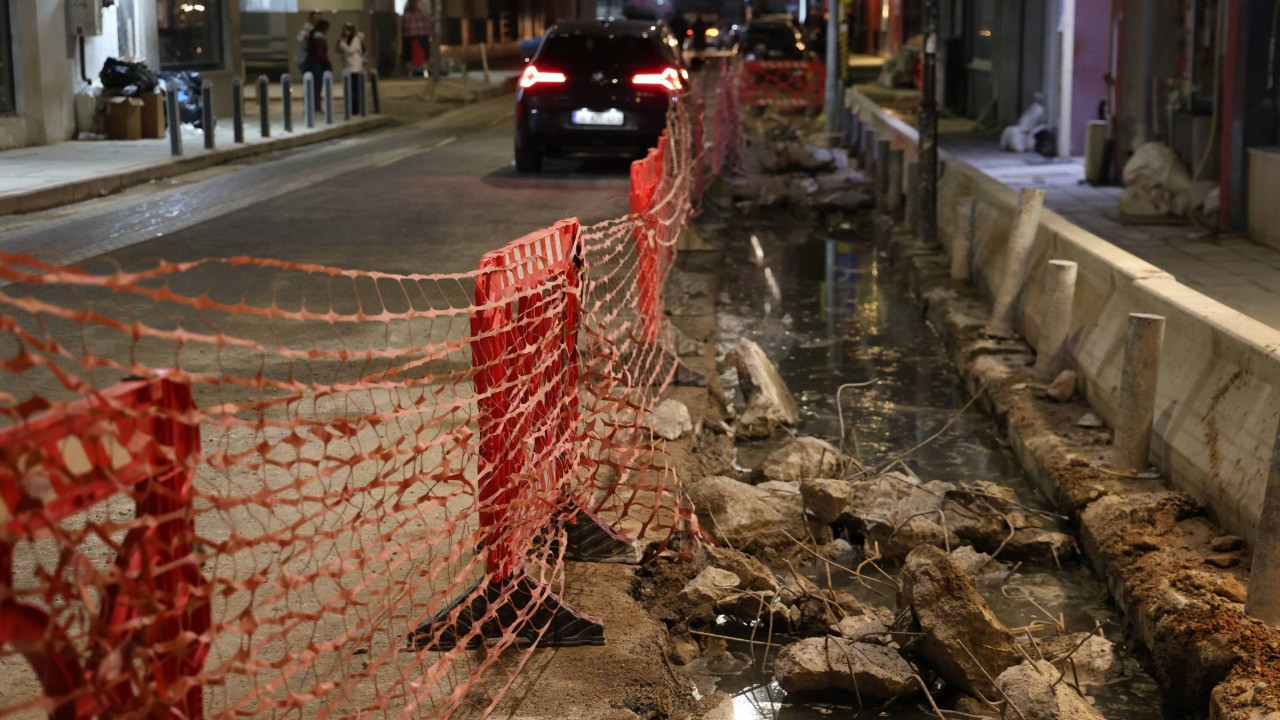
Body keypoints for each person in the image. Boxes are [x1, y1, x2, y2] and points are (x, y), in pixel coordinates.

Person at [399, 0, 434, 78]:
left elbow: (428, 16)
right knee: (411, 54)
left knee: (422, 54)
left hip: (422, 34)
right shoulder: (408, 5)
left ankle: (424, 70)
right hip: (409, 35)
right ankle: (412, 71)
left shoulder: (424, 4)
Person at [306, 19, 332, 111]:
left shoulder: (312, 35)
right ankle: (317, 107)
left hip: (311, 63)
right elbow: (320, 53)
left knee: (312, 87)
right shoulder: (319, 38)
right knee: (317, 86)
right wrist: (327, 63)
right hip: (317, 64)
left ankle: (312, 107)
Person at [296, 11, 321, 99]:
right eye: (316, 18)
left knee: (315, 83)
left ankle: (314, 105)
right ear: (311, 19)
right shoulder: (307, 29)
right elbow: (299, 39)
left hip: (312, 60)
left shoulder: (316, 30)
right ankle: (310, 105)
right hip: (305, 60)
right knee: (309, 83)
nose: (318, 20)